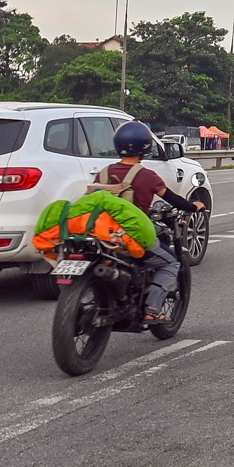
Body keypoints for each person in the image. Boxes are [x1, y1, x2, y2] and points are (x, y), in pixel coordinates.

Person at [91, 120, 197, 323]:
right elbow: (173, 199)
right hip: (131, 234)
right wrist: (194, 206)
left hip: (101, 233)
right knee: (171, 263)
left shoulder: (103, 173)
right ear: (146, 147)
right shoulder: (147, 176)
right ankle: (152, 310)